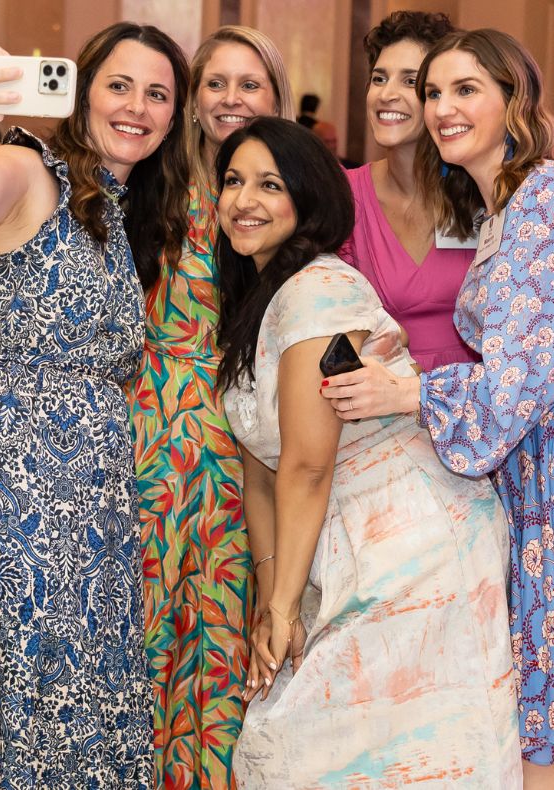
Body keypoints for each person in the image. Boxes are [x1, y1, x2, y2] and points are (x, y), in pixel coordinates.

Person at [0, 21, 189, 786]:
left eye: (157, 94)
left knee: (72, 673)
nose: (136, 107)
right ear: (83, 90)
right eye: (118, 86)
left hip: (88, 498)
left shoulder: (124, 207)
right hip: (0, 481)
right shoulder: (29, 167)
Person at [214, 115, 521, 788]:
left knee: (319, 751)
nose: (244, 200)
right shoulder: (257, 300)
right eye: (232, 181)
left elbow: (305, 461)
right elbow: (258, 470)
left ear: (309, 200)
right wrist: (274, 597)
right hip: (343, 544)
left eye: (270, 185)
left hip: (413, 547)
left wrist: (280, 608)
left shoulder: (320, 291)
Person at [322, 28, 554, 790]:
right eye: (433, 93)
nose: (441, 108)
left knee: (540, 726)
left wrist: (411, 392)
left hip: (543, 485)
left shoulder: (539, 206)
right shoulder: (500, 211)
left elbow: (509, 391)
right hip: (520, 484)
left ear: (513, 100)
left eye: (464, 90)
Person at [124, 24, 293, 789]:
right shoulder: (152, 184)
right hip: (149, 435)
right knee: (144, 618)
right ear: (192, 103)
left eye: (248, 83)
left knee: (226, 625)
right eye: (215, 83)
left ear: (275, 98)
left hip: (242, 442)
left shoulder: (283, 198)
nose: (231, 97)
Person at [339, 10, 480, 372]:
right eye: (379, 78)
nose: (387, 94)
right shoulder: (343, 196)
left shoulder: (481, 192)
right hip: (383, 411)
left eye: (409, 81)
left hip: (481, 406)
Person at [296, 92, 338, 157]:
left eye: (334, 141)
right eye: (327, 141)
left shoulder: (294, 122)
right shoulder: (318, 126)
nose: (332, 145)